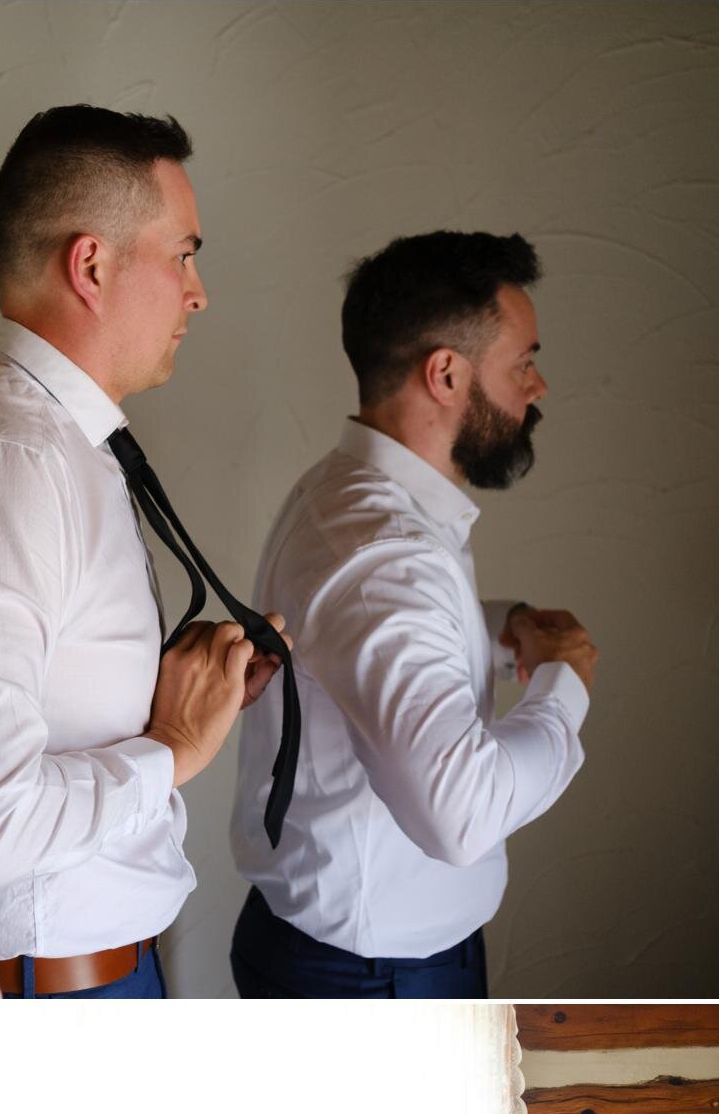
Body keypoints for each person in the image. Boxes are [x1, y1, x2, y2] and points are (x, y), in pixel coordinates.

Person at [0, 104, 285, 995]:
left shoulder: (49, 440)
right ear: (91, 264)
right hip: (47, 993)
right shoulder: (8, 465)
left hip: (78, 980)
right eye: (183, 252)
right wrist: (171, 746)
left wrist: (163, 693)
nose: (198, 289)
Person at [230, 230, 598, 999]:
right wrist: (564, 683)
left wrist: (505, 627)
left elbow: (365, 643)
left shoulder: (353, 498)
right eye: (523, 361)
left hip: (353, 957)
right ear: (446, 373)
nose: (538, 386)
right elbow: (461, 816)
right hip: (371, 983)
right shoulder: (384, 552)